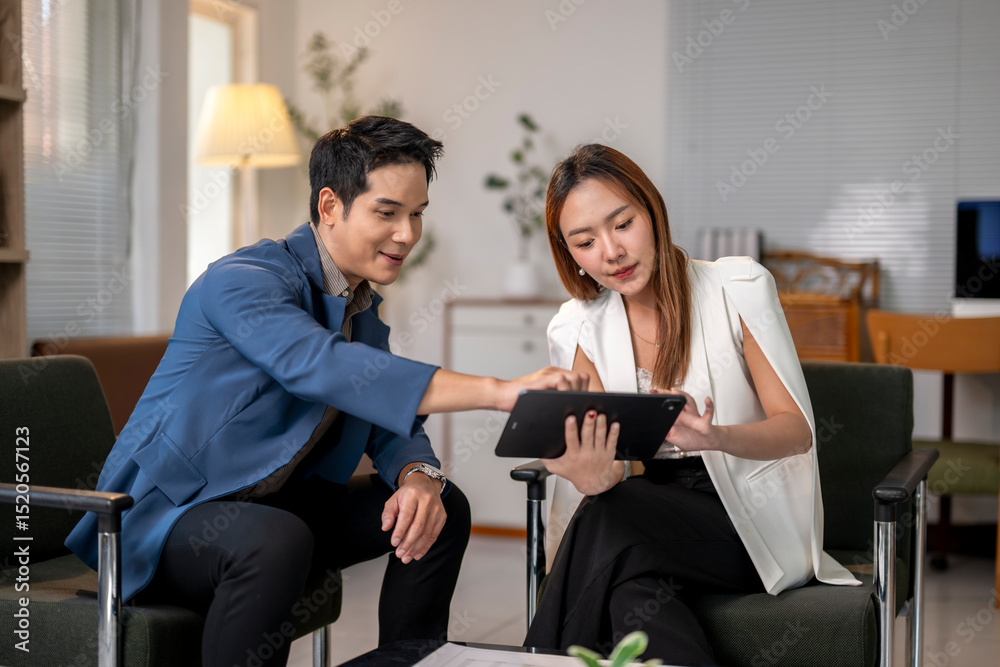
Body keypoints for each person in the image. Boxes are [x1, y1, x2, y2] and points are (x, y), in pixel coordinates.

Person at [65, 116, 586, 667]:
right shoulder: (242, 280)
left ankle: (406, 662)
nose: (406, 235)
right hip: (167, 516)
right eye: (387, 213)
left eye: (416, 215)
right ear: (330, 206)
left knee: (441, 508)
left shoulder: (359, 307)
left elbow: (393, 425)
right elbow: (319, 366)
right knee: (276, 538)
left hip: (280, 510)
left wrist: (418, 478)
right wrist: (500, 391)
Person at [522, 144, 858, 665]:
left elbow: (796, 431)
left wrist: (715, 437)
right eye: (585, 242)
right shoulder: (577, 325)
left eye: (623, 224)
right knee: (628, 585)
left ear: (651, 210)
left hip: (748, 519)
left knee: (607, 522)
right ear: (570, 255)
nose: (610, 252)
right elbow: (609, 468)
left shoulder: (737, 286)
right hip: (645, 512)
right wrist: (589, 474)